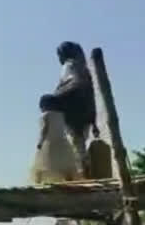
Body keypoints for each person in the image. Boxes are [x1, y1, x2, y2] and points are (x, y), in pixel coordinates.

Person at [40, 41, 99, 171]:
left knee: (76, 146)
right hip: (84, 111)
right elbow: (90, 94)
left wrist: (56, 96)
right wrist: (94, 120)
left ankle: (82, 171)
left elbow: (75, 82)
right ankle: (84, 168)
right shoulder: (83, 69)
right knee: (79, 145)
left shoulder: (69, 65)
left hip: (73, 107)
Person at [30, 95, 83, 184]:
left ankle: (37, 183)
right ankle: (71, 182)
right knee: (65, 165)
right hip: (62, 142)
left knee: (42, 165)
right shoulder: (61, 115)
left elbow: (44, 129)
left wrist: (40, 142)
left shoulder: (45, 116)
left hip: (50, 143)